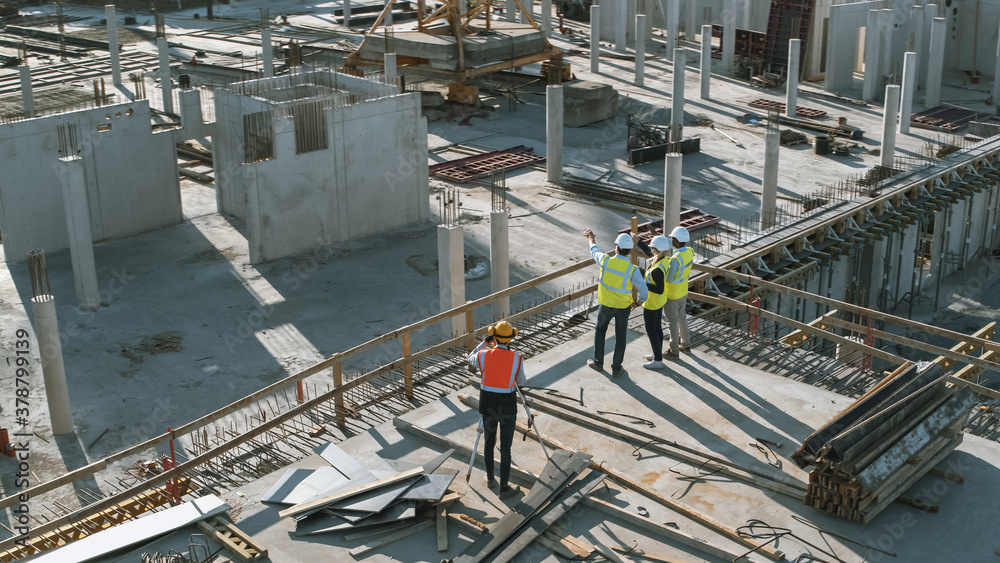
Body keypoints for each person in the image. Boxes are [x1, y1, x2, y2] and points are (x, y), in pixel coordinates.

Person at [467, 320, 526, 500]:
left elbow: (470, 357)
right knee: (505, 448)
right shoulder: (517, 358)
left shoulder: (484, 355)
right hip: (507, 406)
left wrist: (484, 343)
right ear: (510, 339)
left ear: (494, 337)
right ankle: (504, 488)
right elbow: (521, 382)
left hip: (488, 406)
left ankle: (490, 479)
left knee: (488, 442)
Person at [583, 229, 648, 377]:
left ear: (616, 247)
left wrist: (591, 237)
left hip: (605, 305)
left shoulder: (605, 261)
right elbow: (644, 290)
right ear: (630, 250)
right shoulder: (632, 269)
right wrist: (638, 303)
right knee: (621, 337)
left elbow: (593, 249)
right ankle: (616, 368)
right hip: (623, 308)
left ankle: (598, 362)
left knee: (600, 332)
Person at [638, 235, 672, 369]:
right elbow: (648, 253)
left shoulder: (657, 269)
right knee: (657, 328)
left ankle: (658, 360)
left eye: (652, 247)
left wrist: (643, 282)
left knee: (652, 330)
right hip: (659, 301)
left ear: (656, 250)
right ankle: (657, 354)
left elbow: (658, 289)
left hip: (652, 302)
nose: (651, 249)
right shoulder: (663, 260)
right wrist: (638, 242)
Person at [664, 226, 693, 357]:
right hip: (683, 292)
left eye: (672, 239)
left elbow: (669, 278)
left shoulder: (675, 259)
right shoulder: (689, 252)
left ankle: (673, 350)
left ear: (676, 240)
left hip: (672, 294)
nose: (671, 240)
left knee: (673, 322)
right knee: (682, 318)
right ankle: (686, 346)